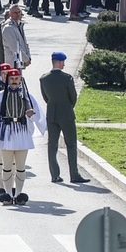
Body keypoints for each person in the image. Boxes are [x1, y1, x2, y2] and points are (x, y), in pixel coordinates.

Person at [0, 68, 45, 206]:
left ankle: (18, 194)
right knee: (7, 166)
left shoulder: (27, 96)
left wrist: (31, 115)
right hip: (6, 133)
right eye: (11, 79)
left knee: (20, 166)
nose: (14, 81)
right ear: (7, 80)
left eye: (16, 79)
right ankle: (8, 194)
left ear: (20, 80)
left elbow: (37, 116)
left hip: (21, 133)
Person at [39, 52, 86, 183]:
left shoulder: (44, 79)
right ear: (59, 62)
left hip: (52, 114)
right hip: (66, 113)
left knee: (52, 145)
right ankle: (74, 174)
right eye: (63, 62)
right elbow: (73, 97)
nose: (64, 65)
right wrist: (68, 107)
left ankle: (55, 175)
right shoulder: (67, 78)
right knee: (71, 144)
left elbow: (45, 97)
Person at [0, 4, 31, 71]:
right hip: (12, 64)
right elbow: (14, 48)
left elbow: (24, 43)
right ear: (10, 14)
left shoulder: (19, 25)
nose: (18, 14)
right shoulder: (8, 28)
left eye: (19, 12)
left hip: (19, 63)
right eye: (15, 12)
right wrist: (26, 59)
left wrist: (28, 57)